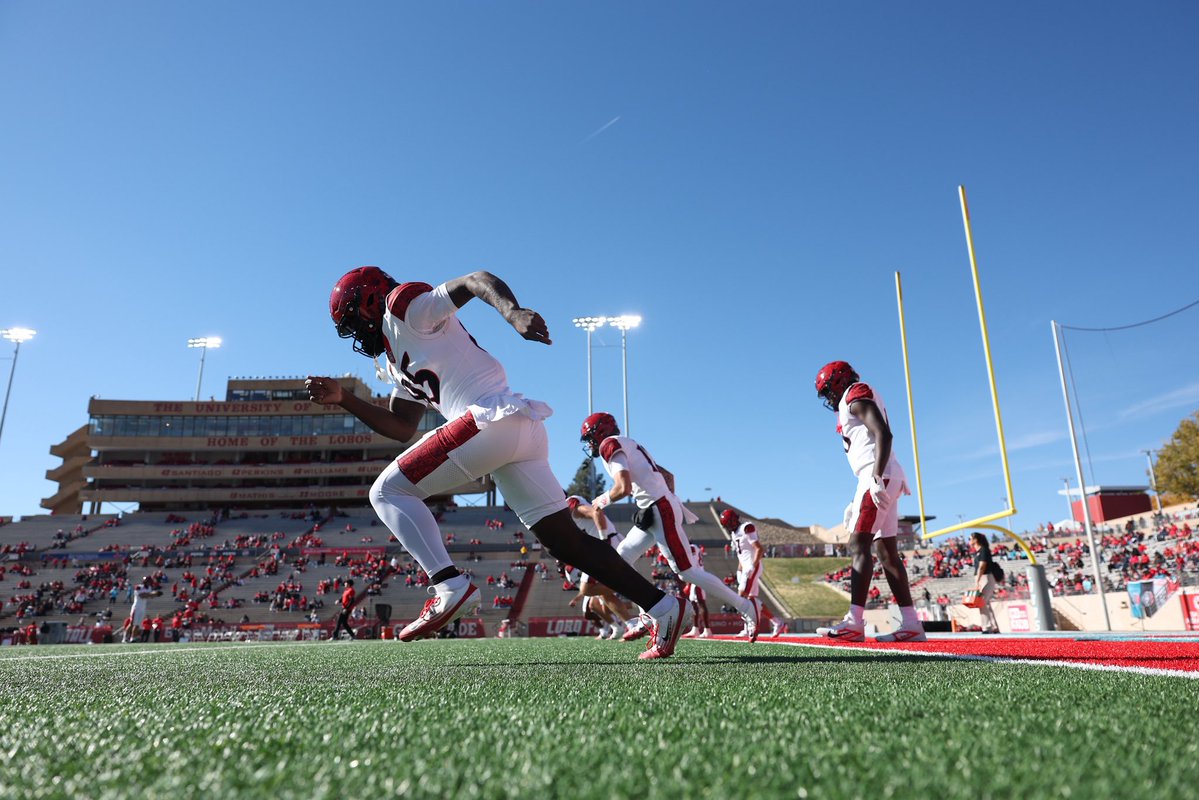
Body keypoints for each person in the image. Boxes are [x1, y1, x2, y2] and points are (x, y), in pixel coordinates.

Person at [308, 267, 687, 658]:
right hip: (516, 429)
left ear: (370, 302)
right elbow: (402, 426)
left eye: (353, 320)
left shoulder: (403, 306)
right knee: (567, 543)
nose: (355, 332)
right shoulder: (393, 357)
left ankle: (448, 585)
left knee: (386, 490)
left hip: (489, 418)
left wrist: (513, 312)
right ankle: (664, 607)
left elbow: (474, 280)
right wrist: (345, 400)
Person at [580, 412, 759, 642]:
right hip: (654, 509)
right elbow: (668, 475)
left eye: (591, 438)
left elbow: (623, 488)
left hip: (658, 509)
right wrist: (664, 498)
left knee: (687, 571)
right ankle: (647, 614)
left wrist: (601, 500)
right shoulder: (629, 443)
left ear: (600, 433)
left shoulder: (609, 444)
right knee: (620, 559)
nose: (591, 444)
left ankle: (746, 607)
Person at [813, 361, 926, 642]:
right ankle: (911, 623)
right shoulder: (856, 396)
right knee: (886, 551)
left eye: (828, 390)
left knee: (858, 544)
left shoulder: (855, 393)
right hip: (883, 472)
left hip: (878, 473)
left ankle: (854, 621)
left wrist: (875, 477)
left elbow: (883, 433)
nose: (829, 398)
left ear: (839, 382)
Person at [565, 495, 637, 640]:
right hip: (600, 547)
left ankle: (635, 597)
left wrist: (603, 539)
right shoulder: (568, 514)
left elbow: (596, 511)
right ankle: (631, 623)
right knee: (599, 595)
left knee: (587, 589)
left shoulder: (572, 506)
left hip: (607, 543)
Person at [720, 510, 785, 638]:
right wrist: (739, 572)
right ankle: (776, 622)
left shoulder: (747, 528)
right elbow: (741, 554)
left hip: (752, 566)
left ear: (733, 521)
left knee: (742, 598)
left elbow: (759, 549)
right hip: (744, 568)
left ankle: (753, 626)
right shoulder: (734, 534)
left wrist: (752, 566)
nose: (727, 527)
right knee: (751, 599)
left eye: (728, 524)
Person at [970, 533, 1001, 633]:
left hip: (985, 577)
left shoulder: (983, 550)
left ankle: (987, 627)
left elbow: (982, 566)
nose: (969, 540)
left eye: (970, 538)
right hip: (981, 577)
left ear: (976, 539)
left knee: (982, 602)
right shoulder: (977, 552)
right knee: (985, 603)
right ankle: (993, 626)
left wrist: (977, 579)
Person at [681, 543, 712, 639]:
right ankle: (695, 629)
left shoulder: (692, 547)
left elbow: (691, 565)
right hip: (694, 578)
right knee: (694, 604)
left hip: (698, 576)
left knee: (701, 602)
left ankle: (707, 630)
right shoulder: (690, 548)